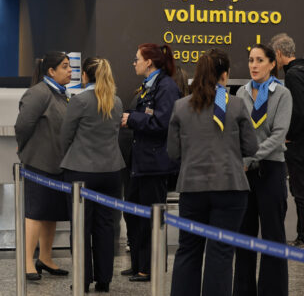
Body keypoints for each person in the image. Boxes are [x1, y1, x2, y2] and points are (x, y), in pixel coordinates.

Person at [167, 48, 258, 296]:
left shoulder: (181, 106)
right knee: (221, 253)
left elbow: (173, 151)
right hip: (230, 187)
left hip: (192, 188)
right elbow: (252, 147)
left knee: (188, 250)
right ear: (225, 75)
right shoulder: (237, 105)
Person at [60, 57, 125, 293]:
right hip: (111, 171)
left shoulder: (80, 101)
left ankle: (82, 279)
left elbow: (66, 134)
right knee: (106, 227)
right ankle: (104, 279)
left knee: (80, 227)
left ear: (85, 76)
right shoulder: (116, 101)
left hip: (81, 171)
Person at [233, 44, 292, 296]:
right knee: (243, 236)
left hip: (271, 170)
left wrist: (250, 156)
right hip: (245, 172)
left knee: (273, 237)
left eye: (259, 60)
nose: (253, 65)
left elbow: (279, 135)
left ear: (271, 64)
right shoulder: (241, 93)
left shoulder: (281, 93)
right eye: (250, 60)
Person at [120, 43, 180, 282]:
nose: (134, 63)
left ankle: (150, 266)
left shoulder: (166, 87)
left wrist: (132, 119)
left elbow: (162, 124)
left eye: (137, 59)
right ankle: (137, 263)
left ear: (149, 62)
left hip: (155, 165)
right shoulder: (147, 86)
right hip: (139, 163)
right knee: (133, 215)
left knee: (150, 219)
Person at [14, 51, 72, 281]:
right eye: (65, 66)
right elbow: (22, 126)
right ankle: (28, 261)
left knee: (51, 214)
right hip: (39, 163)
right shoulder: (38, 93)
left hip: (58, 164)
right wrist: (23, 149)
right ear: (51, 71)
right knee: (36, 213)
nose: (70, 71)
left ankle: (45, 258)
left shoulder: (61, 94)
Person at [271, 33, 304, 249]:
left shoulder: (294, 76)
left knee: (301, 191)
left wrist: (287, 134)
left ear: (279, 53)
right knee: (303, 189)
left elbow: (296, 112)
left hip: (299, 142)